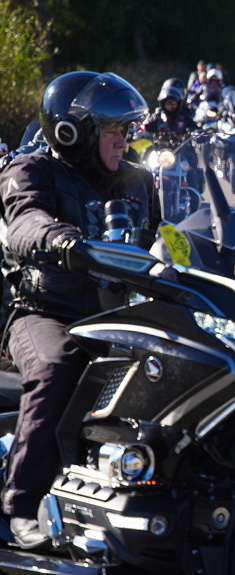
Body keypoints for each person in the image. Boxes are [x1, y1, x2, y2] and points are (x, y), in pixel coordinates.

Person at [0, 71, 159, 549]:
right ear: (74, 131)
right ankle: (19, 509)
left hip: (122, 315)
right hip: (45, 311)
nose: (125, 141)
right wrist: (59, 239)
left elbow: (174, 236)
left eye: (129, 131)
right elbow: (25, 219)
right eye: (115, 131)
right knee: (59, 364)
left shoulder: (139, 180)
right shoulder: (31, 170)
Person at [142, 79, 195, 147]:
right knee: (146, 152)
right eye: (167, 103)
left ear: (178, 103)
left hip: (181, 150)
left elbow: (194, 128)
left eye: (173, 103)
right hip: (160, 151)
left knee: (192, 154)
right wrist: (141, 131)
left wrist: (198, 132)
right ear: (163, 104)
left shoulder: (183, 116)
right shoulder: (158, 116)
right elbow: (146, 127)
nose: (170, 106)